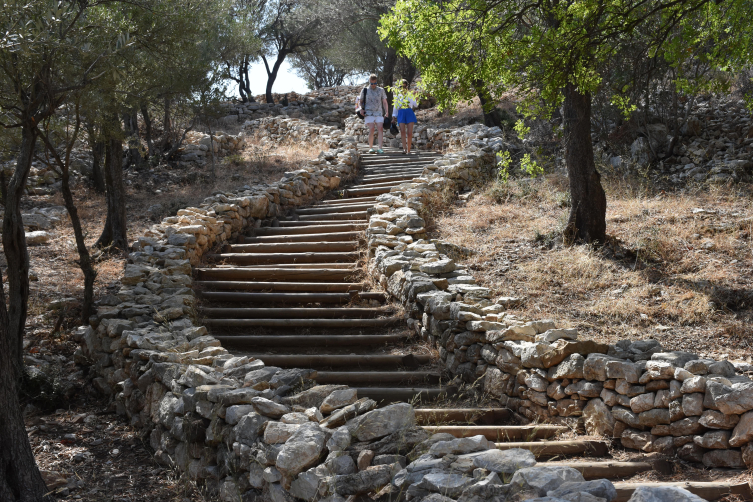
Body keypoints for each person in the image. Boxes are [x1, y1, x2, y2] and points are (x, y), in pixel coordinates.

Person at [356, 74, 389, 154]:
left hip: (379, 112)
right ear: (369, 82)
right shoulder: (365, 90)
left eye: (375, 83)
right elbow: (360, 102)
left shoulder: (381, 90)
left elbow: (384, 102)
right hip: (368, 112)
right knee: (372, 128)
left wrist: (387, 112)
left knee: (380, 128)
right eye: (372, 83)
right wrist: (361, 109)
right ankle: (370, 147)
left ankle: (380, 148)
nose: (373, 85)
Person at [392, 79, 418, 154]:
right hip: (401, 112)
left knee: (409, 133)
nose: (402, 88)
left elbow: (415, 105)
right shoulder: (398, 95)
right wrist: (393, 117)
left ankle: (409, 150)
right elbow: (395, 107)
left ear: (406, 86)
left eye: (404, 86)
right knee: (402, 131)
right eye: (401, 87)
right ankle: (404, 149)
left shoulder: (410, 94)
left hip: (409, 112)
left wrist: (416, 97)